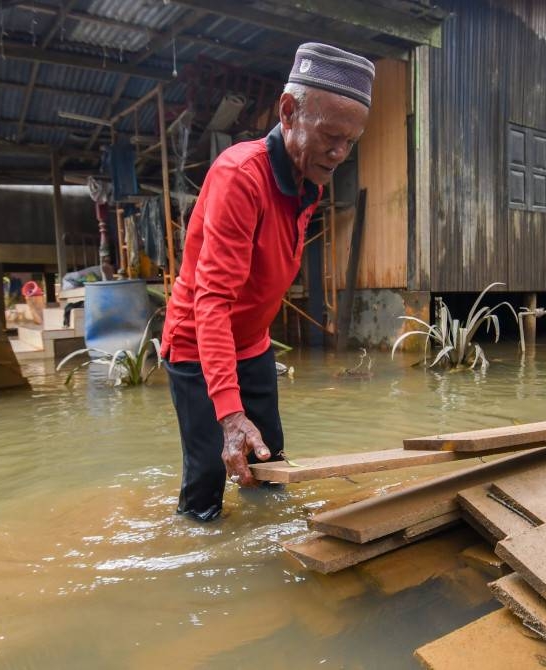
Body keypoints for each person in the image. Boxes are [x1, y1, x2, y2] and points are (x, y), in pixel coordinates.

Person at [161, 43, 375, 521]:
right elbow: (211, 301)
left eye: (351, 142)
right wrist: (230, 414)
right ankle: (202, 564)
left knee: (269, 459)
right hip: (198, 344)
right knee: (208, 478)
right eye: (330, 136)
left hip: (252, 343)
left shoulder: (310, 179)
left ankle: (272, 547)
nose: (339, 153)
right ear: (288, 111)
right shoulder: (241, 175)